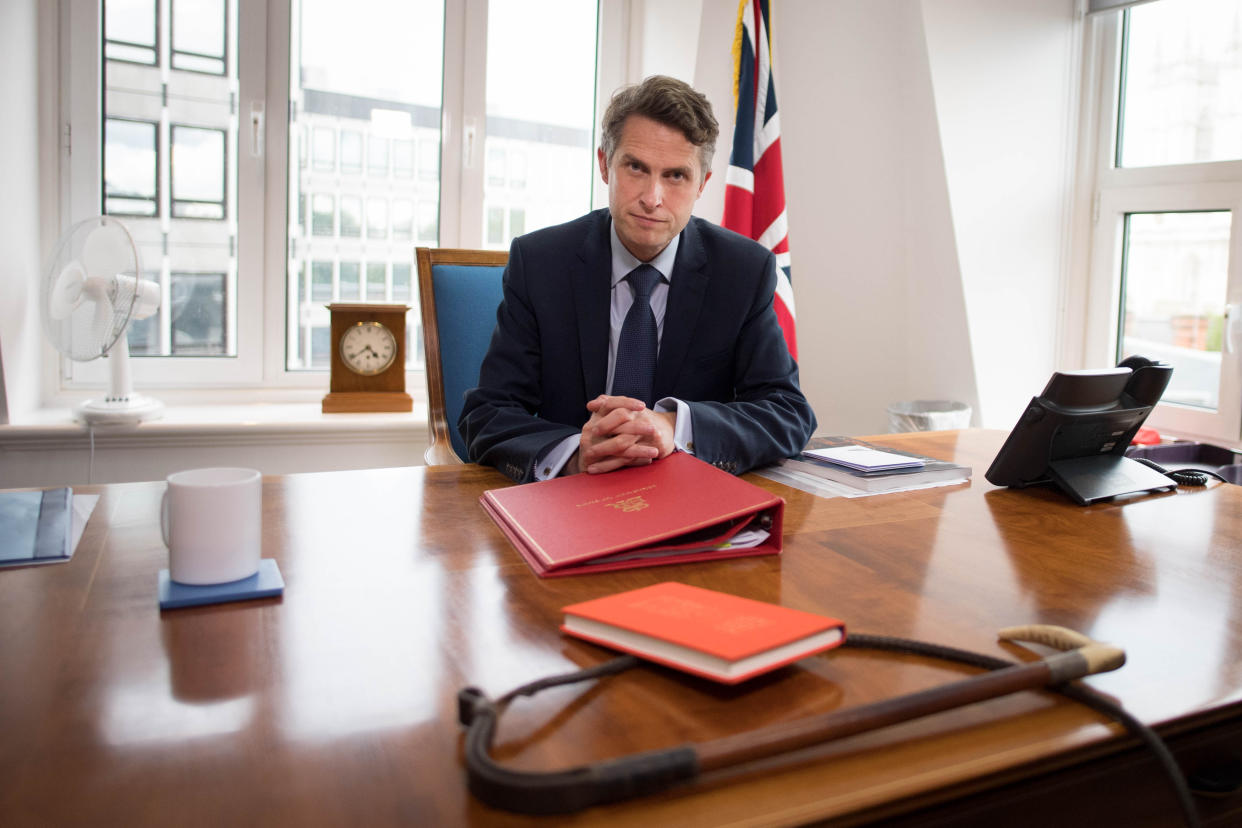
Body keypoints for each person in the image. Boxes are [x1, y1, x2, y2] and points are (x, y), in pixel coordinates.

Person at [459, 75, 816, 483]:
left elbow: (788, 411)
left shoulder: (743, 270)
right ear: (604, 165)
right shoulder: (540, 263)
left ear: (702, 184)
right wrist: (576, 452)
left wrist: (673, 426)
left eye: (676, 176)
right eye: (636, 167)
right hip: (572, 501)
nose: (652, 197)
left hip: (685, 499)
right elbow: (487, 414)